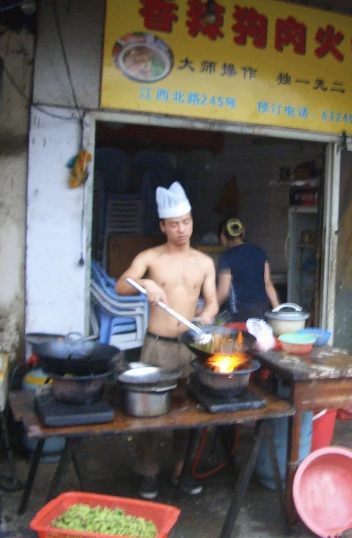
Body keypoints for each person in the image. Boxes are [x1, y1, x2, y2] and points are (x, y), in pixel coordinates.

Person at [115, 181, 219, 499]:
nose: (182, 229)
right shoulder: (151, 257)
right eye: (174, 224)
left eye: (186, 222)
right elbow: (121, 285)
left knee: (189, 412)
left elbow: (212, 301)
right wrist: (145, 283)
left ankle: (181, 471)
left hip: (190, 348)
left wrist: (207, 315)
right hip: (156, 346)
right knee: (151, 412)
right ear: (163, 226)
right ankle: (148, 474)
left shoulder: (204, 262)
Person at [217, 217, 280, 322]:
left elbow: (223, 292)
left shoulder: (227, 257)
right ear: (243, 233)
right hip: (262, 310)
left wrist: (209, 310)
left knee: (241, 338)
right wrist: (278, 310)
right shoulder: (260, 252)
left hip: (240, 313)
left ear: (223, 237)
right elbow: (268, 283)